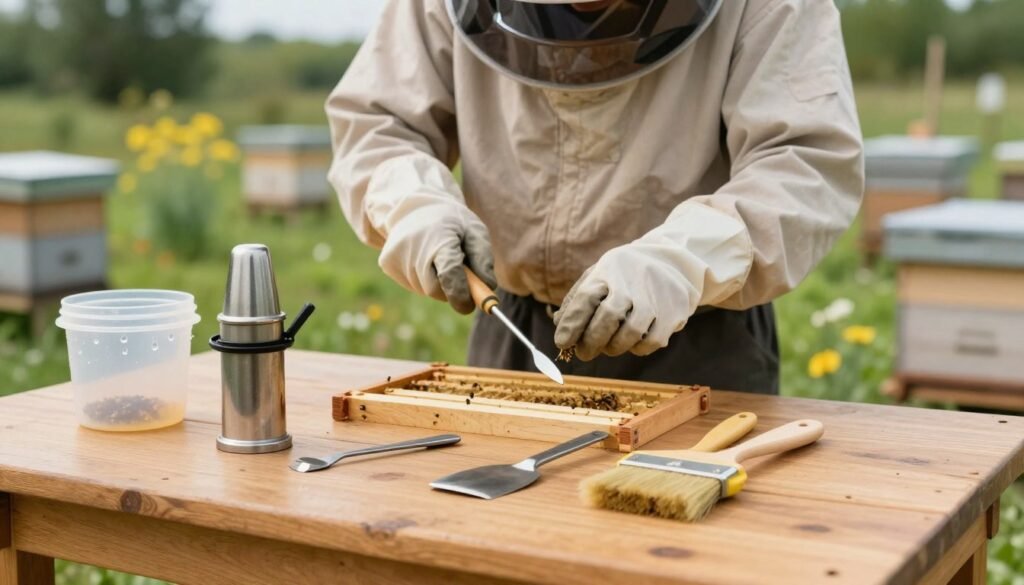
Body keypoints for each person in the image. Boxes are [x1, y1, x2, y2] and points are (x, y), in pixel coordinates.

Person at [326, 0, 864, 395]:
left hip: (699, 337)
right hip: (514, 332)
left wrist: (677, 262)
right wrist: (415, 205)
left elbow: (802, 162)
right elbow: (379, 124)